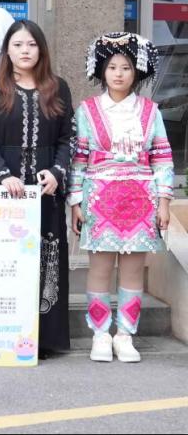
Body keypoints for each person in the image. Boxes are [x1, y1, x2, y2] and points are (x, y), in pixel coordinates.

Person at [69, 33, 174, 363]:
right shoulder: (87, 110)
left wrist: (164, 202)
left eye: (126, 67)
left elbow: (162, 157)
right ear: (102, 70)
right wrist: (75, 201)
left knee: (132, 270)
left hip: (141, 198)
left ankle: (125, 334)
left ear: (137, 72)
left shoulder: (150, 111)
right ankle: (100, 334)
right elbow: (79, 158)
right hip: (99, 198)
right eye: (112, 67)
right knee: (99, 268)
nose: (118, 73)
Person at [0, 20, 75, 358]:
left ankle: (42, 340)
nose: (25, 51)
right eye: (18, 45)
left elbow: (69, 137)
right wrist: (2, 174)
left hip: (45, 193)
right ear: (7, 50)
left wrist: (58, 172)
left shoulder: (58, 87)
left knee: (45, 261)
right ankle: (4, 336)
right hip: (5, 192)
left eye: (31, 44)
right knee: (5, 262)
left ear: (41, 49)